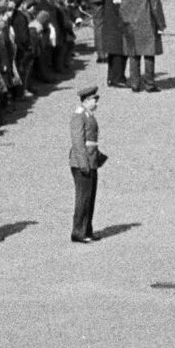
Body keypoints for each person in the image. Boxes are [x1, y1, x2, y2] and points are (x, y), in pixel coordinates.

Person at [69, 86, 106, 245]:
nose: (96, 103)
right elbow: (78, 142)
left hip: (91, 161)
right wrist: (84, 164)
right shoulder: (79, 116)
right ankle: (78, 231)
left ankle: (86, 229)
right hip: (82, 162)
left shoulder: (88, 115)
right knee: (83, 198)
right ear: (86, 101)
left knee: (89, 197)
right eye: (94, 100)